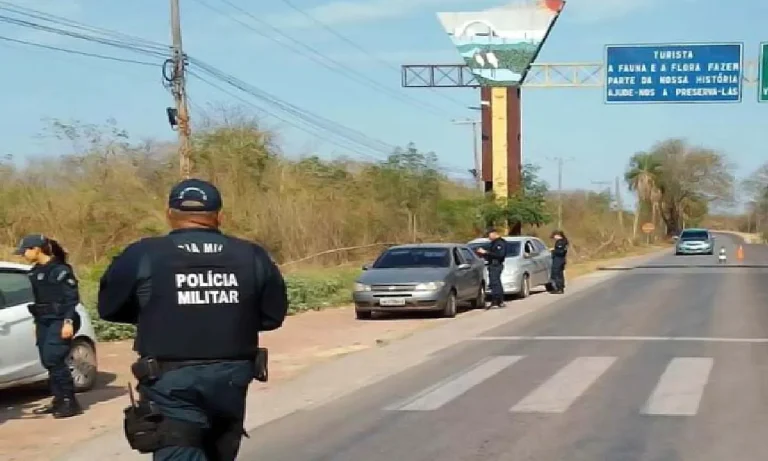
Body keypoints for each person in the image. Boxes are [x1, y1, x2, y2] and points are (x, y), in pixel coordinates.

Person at [97, 178, 289, 461]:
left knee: (180, 448)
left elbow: (109, 308)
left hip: (171, 381)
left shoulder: (143, 253)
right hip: (232, 379)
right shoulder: (251, 254)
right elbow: (272, 316)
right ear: (219, 216)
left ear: (169, 213)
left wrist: (158, 313)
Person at [14, 234, 83, 418]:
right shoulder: (35, 272)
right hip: (45, 321)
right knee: (48, 361)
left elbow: (71, 299)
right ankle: (58, 399)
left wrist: (68, 322)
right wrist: (37, 325)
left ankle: (69, 402)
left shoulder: (60, 270)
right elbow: (39, 301)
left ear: (37, 249)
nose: (24, 255)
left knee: (54, 359)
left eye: (25, 251)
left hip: (61, 320)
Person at [475, 228, 507, 308]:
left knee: (495, 283)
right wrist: (483, 254)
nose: (488, 237)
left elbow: (499, 255)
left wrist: (486, 252)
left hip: (496, 265)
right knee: (496, 283)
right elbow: (492, 254)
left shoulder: (499, 243)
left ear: (494, 234)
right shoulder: (494, 243)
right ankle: (500, 301)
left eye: (489, 235)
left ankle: (496, 301)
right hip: (493, 264)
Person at [549, 230, 569, 294]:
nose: (554, 238)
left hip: (558, 259)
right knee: (560, 274)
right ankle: (561, 287)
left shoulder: (560, 242)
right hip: (562, 259)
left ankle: (559, 288)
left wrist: (553, 251)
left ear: (558, 235)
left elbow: (561, 251)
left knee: (556, 273)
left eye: (554, 236)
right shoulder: (564, 241)